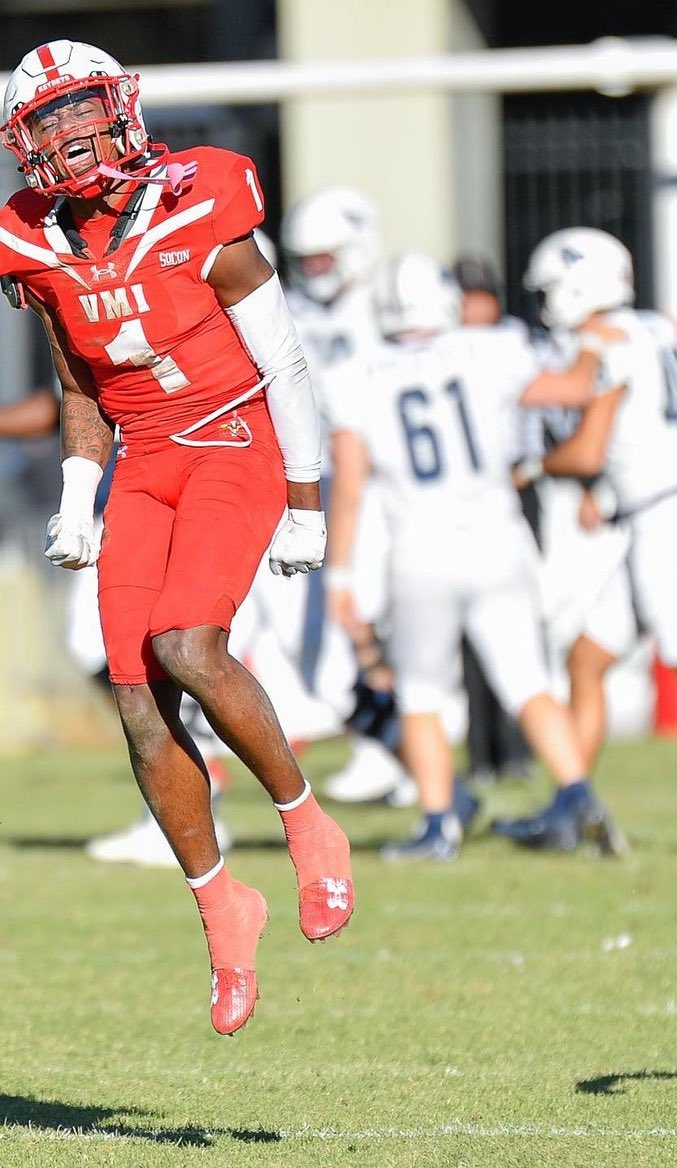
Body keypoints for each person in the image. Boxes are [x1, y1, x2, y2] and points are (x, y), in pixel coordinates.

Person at [0, 39, 354, 1036]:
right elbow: (81, 388)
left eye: (81, 113)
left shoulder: (207, 197)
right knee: (135, 698)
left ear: (121, 111)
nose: (69, 139)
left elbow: (285, 365)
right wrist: (79, 494)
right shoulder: (29, 239)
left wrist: (306, 501)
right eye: (48, 123)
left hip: (233, 437)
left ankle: (305, 819)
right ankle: (220, 906)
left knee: (185, 644)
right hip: (143, 463)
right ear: (24, 145)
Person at [326, 251, 625, 860]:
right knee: (528, 682)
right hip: (498, 538)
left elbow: (351, 486)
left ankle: (439, 825)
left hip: (422, 549)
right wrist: (593, 343)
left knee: (421, 694)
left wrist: (341, 577)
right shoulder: (493, 350)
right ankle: (577, 792)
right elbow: (573, 386)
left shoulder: (359, 374)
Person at [503, 227, 677, 860]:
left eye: (551, 292)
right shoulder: (655, 330)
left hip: (660, 526)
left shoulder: (604, 342)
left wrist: (534, 466)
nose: (546, 305)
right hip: (659, 514)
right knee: (587, 660)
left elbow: (588, 447)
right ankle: (569, 805)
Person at [281, 186, 416, 808]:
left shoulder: (384, 306)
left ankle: (401, 754)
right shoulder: (315, 313)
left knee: (361, 621)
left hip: (381, 484)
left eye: (323, 258)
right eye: (306, 260)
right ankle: (397, 753)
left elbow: (355, 431)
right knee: (347, 632)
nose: (314, 271)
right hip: (338, 477)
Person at [450, 250, 536, 785]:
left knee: (518, 626)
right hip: (464, 498)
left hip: (517, 486)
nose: (473, 307)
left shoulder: (511, 342)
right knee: (468, 631)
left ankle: (517, 750)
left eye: (480, 296)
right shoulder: (446, 347)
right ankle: (482, 754)